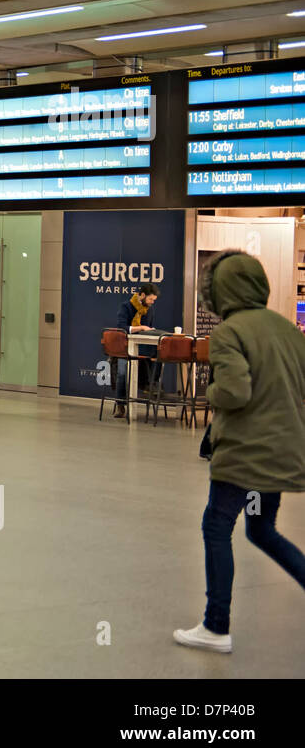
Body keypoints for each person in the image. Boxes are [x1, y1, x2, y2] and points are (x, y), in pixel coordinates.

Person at [173, 252, 305, 654]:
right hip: (282, 451)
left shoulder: (230, 332)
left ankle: (216, 626)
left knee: (217, 527)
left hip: (243, 453)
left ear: (221, 290)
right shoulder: (289, 330)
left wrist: (209, 393)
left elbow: (233, 391)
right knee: (261, 530)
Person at [112, 282, 161, 418]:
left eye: (154, 300)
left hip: (142, 347)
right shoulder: (126, 306)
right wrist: (141, 328)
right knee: (123, 372)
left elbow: (149, 328)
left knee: (158, 356)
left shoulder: (150, 310)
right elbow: (122, 327)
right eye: (150, 299)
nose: (152, 302)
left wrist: (149, 330)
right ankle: (120, 404)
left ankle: (151, 386)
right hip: (124, 347)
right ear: (143, 295)